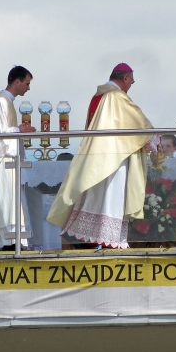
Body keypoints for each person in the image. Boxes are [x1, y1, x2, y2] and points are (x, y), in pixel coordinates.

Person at [48, 63, 156, 249]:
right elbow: (138, 123)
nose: (130, 86)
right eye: (131, 82)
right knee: (110, 195)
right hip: (114, 158)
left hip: (96, 156)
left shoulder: (97, 97)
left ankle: (90, 237)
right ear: (125, 78)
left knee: (94, 196)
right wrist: (155, 138)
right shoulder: (117, 97)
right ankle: (107, 239)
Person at [0, 66, 36, 250]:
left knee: (12, 201)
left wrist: (19, 131)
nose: (28, 88)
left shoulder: (7, 103)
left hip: (10, 161)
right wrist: (18, 130)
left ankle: (15, 240)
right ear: (17, 82)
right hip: (2, 161)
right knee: (5, 200)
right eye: (27, 83)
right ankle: (8, 242)